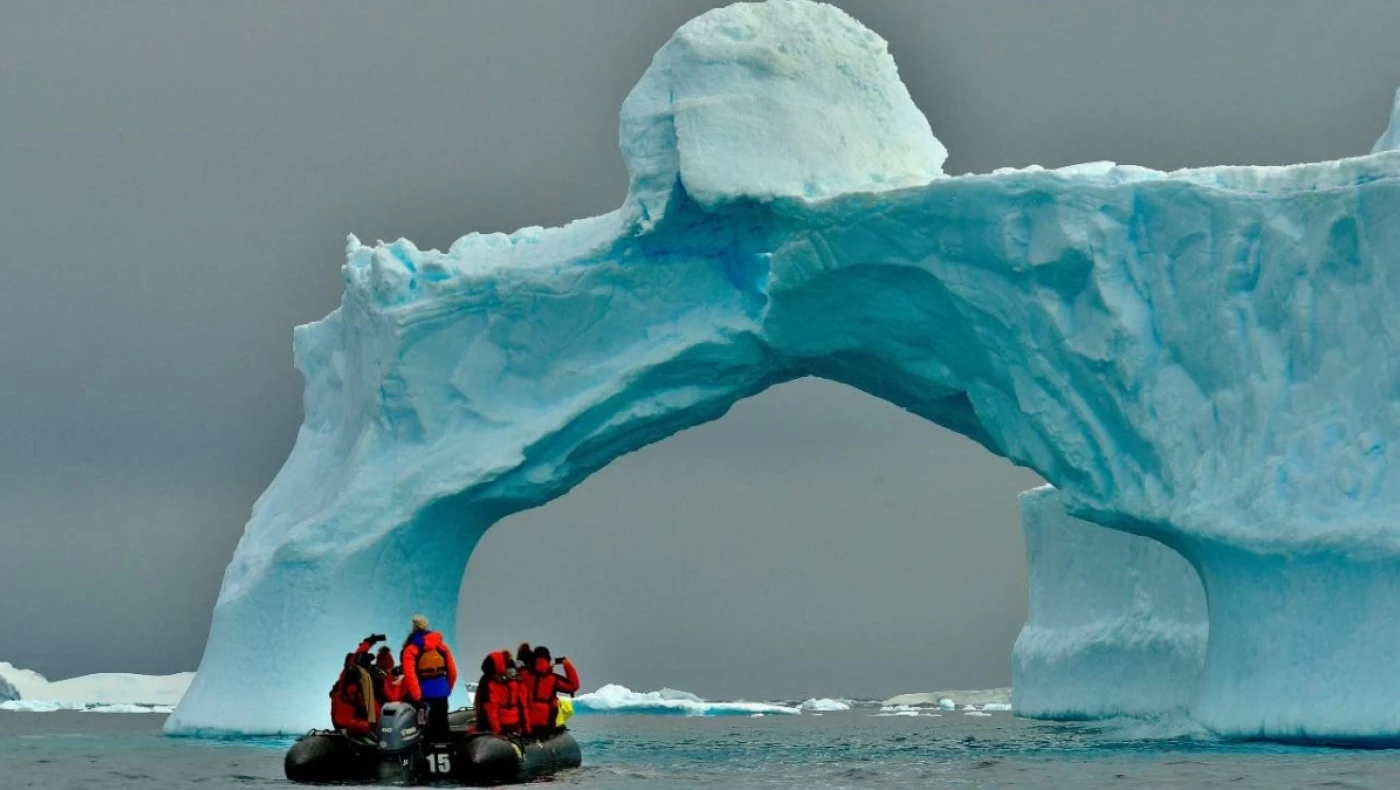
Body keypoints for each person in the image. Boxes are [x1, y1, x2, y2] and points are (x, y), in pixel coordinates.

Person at [400, 615, 458, 742]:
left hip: (423, 695)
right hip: (441, 693)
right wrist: (446, 689)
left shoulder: (411, 648)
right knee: (442, 725)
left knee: (424, 729)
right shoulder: (442, 646)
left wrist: (417, 697)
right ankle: (444, 755)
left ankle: (425, 757)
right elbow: (453, 672)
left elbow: (410, 675)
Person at [521, 645, 579, 737]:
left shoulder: (523, 674)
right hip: (546, 726)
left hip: (525, 726)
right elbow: (573, 686)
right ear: (548, 660)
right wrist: (567, 665)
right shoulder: (553, 679)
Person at [471, 650, 527, 737]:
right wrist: (526, 728)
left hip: (497, 727)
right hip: (515, 724)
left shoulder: (488, 682)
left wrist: (496, 730)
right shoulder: (515, 681)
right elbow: (522, 705)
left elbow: (491, 708)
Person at [329, 653, 377, 740]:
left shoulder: (343, 679)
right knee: (375, 726)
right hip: (348, 723)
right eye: (369, 663)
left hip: (338, 722)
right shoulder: (357, 683)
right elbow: (370, 706)